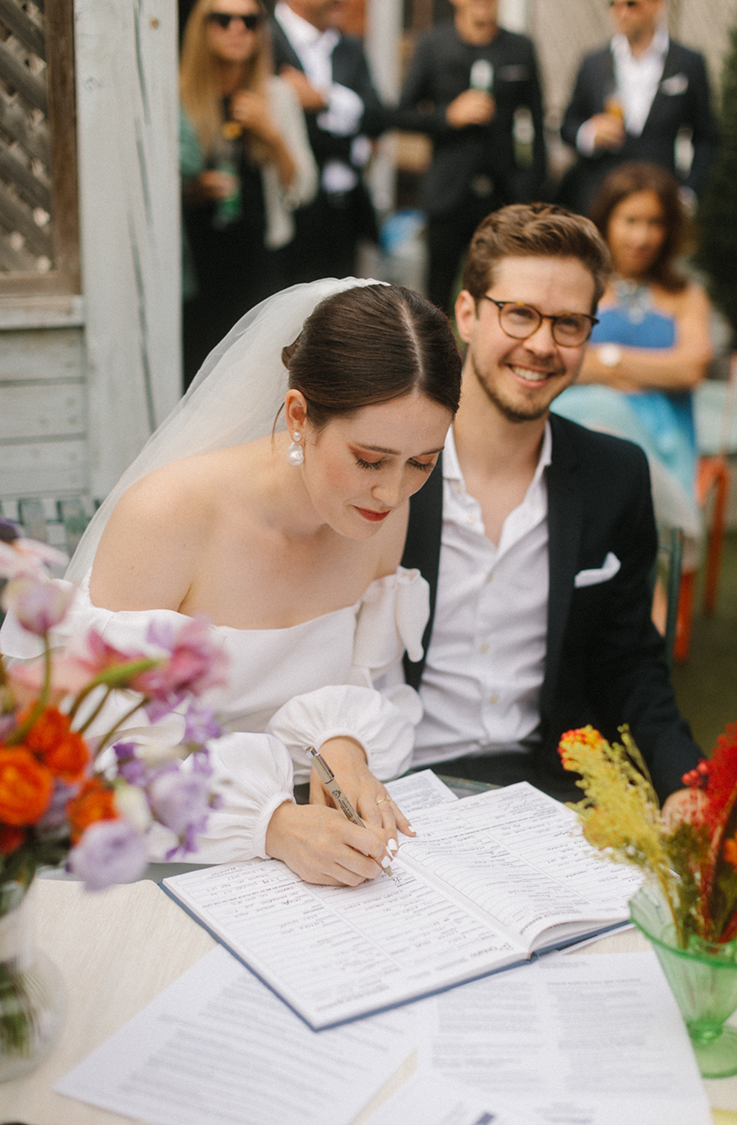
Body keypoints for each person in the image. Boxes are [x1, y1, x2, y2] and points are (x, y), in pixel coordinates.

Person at [1, 281, 463, 887]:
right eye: (370, 459)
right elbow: (92, 748)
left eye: (423, 463)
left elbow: (363, 679)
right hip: (161, 855)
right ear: (300, 415)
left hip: (318, 849)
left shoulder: (380, 516)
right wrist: (268, 824)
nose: (393, 491)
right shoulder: (170, 515)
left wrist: (341, 743)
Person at [400, 203, 702, 802]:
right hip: (398, 782)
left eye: (568, 324)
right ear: (466, 313)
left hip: (545, 792)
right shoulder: (391, 465)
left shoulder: (614, 475)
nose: (542, 344)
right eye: (519, 315)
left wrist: (686, 782)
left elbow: (630, 663)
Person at [552, 162, 712, 542]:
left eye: (655, 222)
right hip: (581, 425)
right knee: (592, 429)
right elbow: (562, 364)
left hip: (663, 441)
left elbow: (690, 369)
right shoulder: (578, 286)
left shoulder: (686, 295)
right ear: (606, 220)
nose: (642, 236)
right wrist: (654, 371)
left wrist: (606, 359)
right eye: (630, 220)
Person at [179, 0, 316, 388]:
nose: (237, 29)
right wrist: (196, 189)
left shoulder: (275, 96)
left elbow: (303, 187)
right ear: (201, 28)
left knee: (255, 381)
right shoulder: (179, 96)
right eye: (223, 19)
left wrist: (270, 133)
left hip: (256, 262)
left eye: (250, 21)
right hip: (197, 268)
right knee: (196, 377)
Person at [395, 0, 548, 314]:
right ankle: (441, 361)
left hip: (504, 193)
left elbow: (537, 123)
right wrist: (448, 116)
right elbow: (401, 114)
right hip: (448, 193)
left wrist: (531, 188)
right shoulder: (433, 45)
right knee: (437, 297)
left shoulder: (520, 48)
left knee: (504, 292)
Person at [557, 0, 717, 217]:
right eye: (614, 4)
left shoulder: (688, 63)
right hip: (601, 198)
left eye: (632, 4)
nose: (621, 13)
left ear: (657, 5)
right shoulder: (592, 63)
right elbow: (568, 125)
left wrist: (688, 192)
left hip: (659, 199)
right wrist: (589, 133)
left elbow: (706, 138)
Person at [269, 0, 389, 284]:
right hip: (286, 204)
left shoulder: (349, 46)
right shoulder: (261, 36)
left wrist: (326, 99)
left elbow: (379, 119)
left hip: (344, 208)